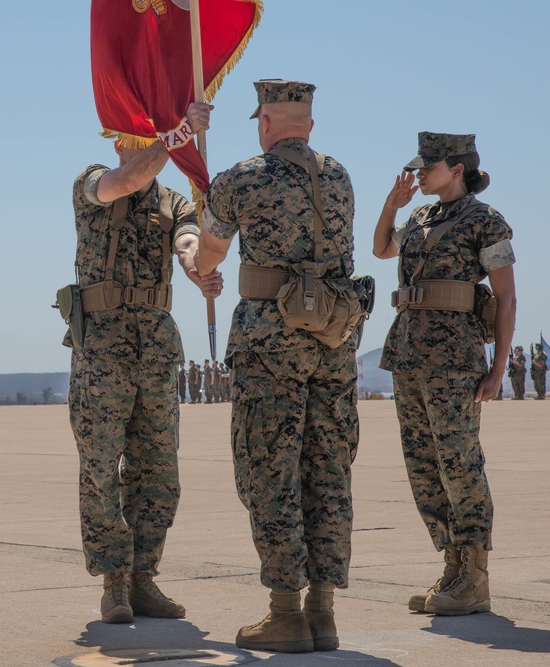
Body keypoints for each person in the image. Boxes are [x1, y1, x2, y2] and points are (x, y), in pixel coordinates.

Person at [195, 80, 359, 653]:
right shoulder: (338, 176)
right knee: (329, 473)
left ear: (264, 121)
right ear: (308, 125)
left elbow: (211, 251)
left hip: (271, 342)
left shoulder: (242, 176)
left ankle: (285, 614)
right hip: (334, 341)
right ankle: (324, 611)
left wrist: (194, 255)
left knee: (271, 471)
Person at [65, 101, 223, 624]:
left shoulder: (175, 201)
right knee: (100, 464)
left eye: (151, 137)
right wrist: (177, 137)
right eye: (137, 137)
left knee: (159, 467)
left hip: (154, 349)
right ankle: (113, 581)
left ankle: (143, 577)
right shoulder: (92, 183)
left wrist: (196, 267)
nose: (145, 145)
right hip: (104, 350)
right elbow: (127, 181)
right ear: (118, 141)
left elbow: (185, 241)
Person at [373, 131, 516, 618]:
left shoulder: (485, 220)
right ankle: (453, 568)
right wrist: (392, 205)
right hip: (410, 354)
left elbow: (507, 297)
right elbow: (380, 250)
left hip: (455, 359)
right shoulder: (418, 216)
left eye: (427, 168)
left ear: (457, 169)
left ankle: (476, 576)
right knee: (424, 464)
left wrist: (498, 369)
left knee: (460, 463)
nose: (418, 175)